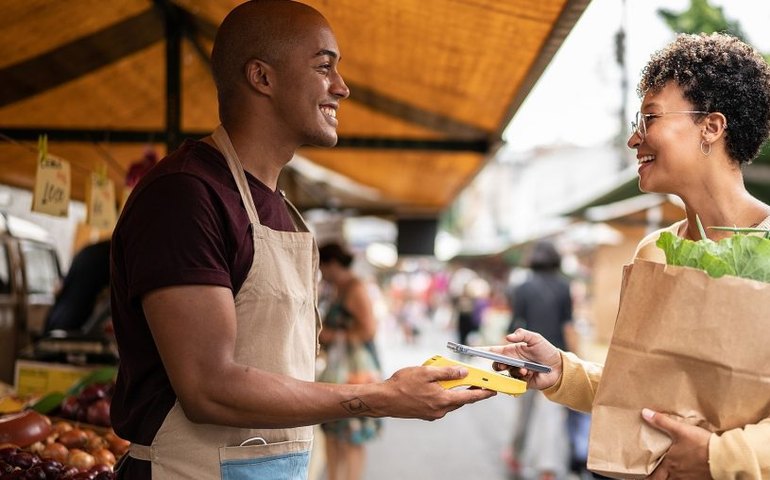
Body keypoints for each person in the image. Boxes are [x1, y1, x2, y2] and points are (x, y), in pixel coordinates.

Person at [109, 1, 494, 479]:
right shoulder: (184, 195)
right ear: (261, 77)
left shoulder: (281, 210)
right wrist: (381, 396)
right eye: (324, 66)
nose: (342, 87)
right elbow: (208, 387)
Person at [492, 32, 770, 480]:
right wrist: (562, 370)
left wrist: (719, 456)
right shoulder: (653, 253)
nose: (633, 139)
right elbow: (639, 388)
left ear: (711, 127)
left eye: (650, 118)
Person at [504, 241, 575, 480]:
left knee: (523, 413)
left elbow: (514, 326)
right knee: (552, 416)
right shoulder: (564, 287)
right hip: (556, 360)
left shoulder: (522, 288)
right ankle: (547, 469)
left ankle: (515, 455)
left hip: (526, 360)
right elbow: (568, 326)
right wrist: (576, 358)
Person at [317, 243, 382, 480]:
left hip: (355, 368)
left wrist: (331, 336)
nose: (321, 273)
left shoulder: (355, 289)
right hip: (340, 367)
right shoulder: (339, 289)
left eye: (322, 267)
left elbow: (369, 330)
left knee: (352, 433)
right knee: (333, 430)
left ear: (333, 264)